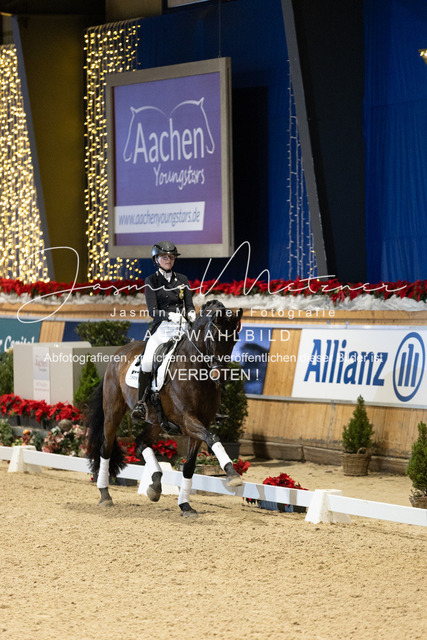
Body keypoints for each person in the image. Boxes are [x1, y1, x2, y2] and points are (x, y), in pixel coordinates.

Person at [132, 240, 196, 421]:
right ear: (156, 260)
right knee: (147, 361)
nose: (168, 260)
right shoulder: (151, 281)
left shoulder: (182, 279)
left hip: (182, 327)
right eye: (164, 257)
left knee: (202, 354)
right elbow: (152, 311)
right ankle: (141, 403)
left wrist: (191, 314)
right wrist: (169, 316)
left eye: (171, 257)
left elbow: (189, 304)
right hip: (163, 328)